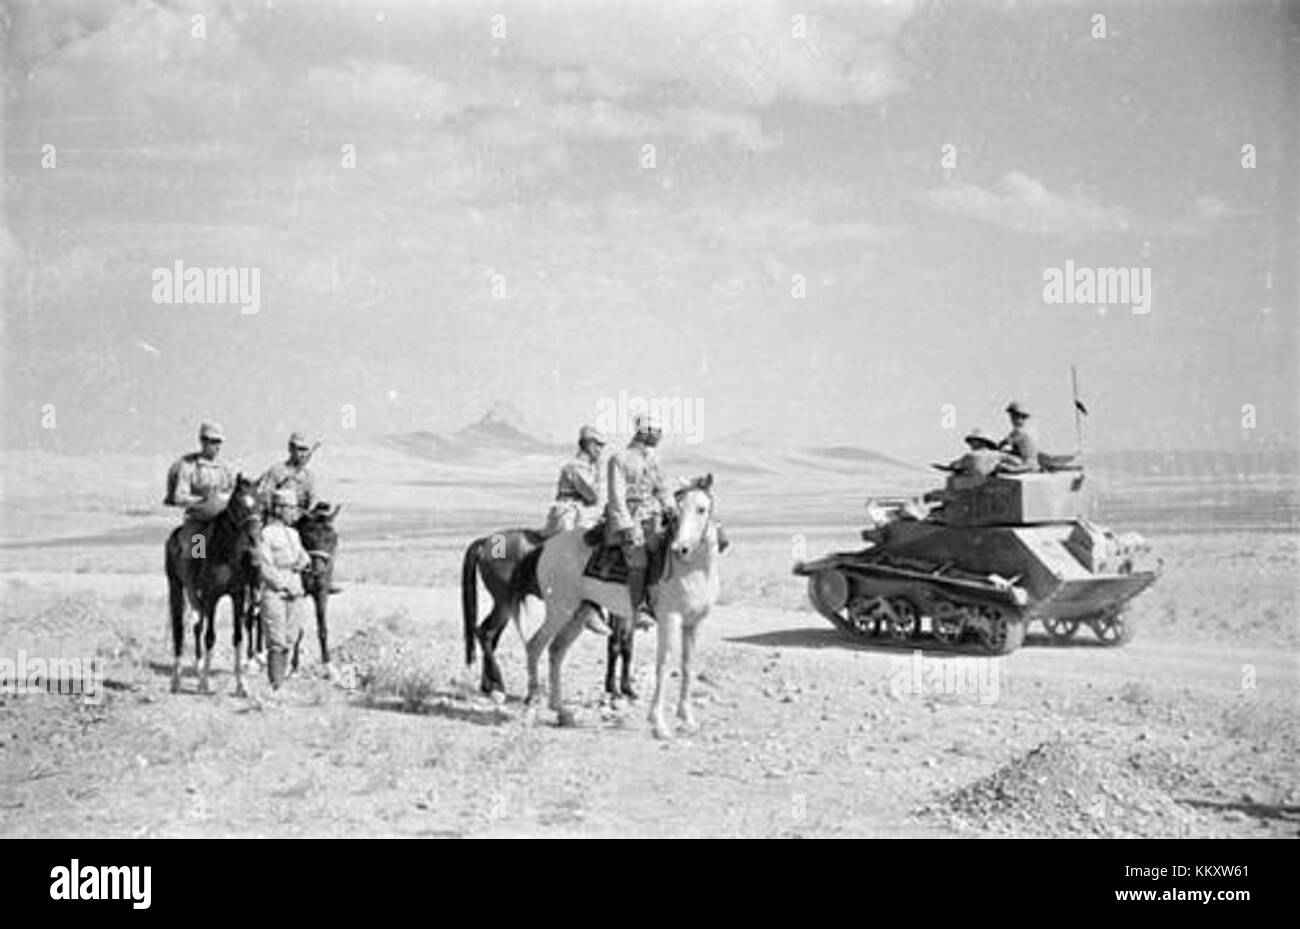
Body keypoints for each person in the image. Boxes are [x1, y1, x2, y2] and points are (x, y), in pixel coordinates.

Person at [606, 413, 676, 631]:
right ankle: (637, 608)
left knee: (666, 549)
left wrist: (671, 507)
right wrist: (626, 525)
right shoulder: (619, 458)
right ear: (645, 433)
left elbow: (662, 488)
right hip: (630, 516)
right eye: (657, 434)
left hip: (652, 515)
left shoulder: (655, 460)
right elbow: (616, 496)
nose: (660, 438)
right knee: (638, 558)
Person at [164, 422, 235, 595]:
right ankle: (194, 588)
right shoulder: (188, 466)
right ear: (202, 441)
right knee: (195, 552)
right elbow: (179, 496)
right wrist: (201, 500)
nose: (215, 446)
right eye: (211, 442)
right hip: (199, 522)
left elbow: (232, 491)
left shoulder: (225, 468)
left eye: (218, 442)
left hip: (222, 521)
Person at [254, 488, 311, 692]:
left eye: (295, 508)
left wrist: (302, 562)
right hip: (276, 588)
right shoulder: (266, 533)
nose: (294, 512)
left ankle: (281, 681)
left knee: (290, 638)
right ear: (279, 508)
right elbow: (265, 564)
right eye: (290, 508)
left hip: (295, 586)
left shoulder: (294, 533)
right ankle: (195, 564)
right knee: (197, 533)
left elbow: (304, 556)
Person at [542, 425, 607, 536]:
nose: (600, 450)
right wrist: (599, 469)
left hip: (579, 513)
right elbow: (593, 496)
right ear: (588, 444)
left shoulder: (586, 467)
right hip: (570, 516)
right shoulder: (576, 467)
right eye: (598, 445)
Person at [257, 432, 317, 511]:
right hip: (278, 515)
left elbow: (312, 498)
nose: (302, 454)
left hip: (299, 516)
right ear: (291, 449)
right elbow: (266, 493)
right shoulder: (277, 470)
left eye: (305, 450)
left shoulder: (308, 475)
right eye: (299, 449)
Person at [947, 429, 1020, 490]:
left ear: (982, 442)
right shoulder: (998, 454)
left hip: (974, 485)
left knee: (953, 479)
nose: (970, 444)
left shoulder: (970, 456)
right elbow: (1017, 462)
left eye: (973, 441)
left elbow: (955, 465)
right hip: (990, 484)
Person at [999, 400, 1040, 472]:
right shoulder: (1027, 430)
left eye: (1015, 417)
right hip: (1030, 463)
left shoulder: (1018, 432)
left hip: (1026, 464)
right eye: (1012, 417)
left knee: (1000, 461)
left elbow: (1002, 444)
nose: (1012, 419)